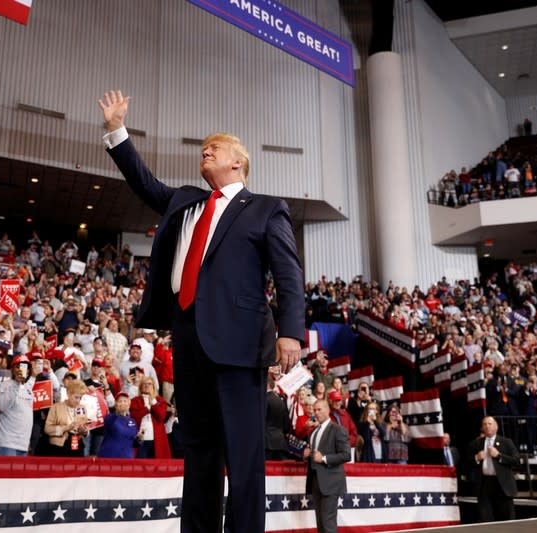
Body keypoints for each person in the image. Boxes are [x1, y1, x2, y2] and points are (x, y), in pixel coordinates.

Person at [99, 89, 304, 532]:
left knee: (243, 453)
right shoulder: (187, 200)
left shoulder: (267, 208)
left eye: (216, 146)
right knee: (199, 449)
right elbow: (145, 183)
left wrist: (291, 332)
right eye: (203, 147)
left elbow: (288, 274)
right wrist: (117, 130)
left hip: (240, 341)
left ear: (238, 163)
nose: (205, 150)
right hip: (188, 336)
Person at [302, 399, 351, 533]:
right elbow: (314, 456)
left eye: (320, 409)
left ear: (328, 410)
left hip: (331, 483)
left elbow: (347, 455)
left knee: (328, 523)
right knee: (320, 523)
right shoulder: (313, 432)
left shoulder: (338, 429)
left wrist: (323, 458)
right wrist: (306, 456)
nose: (316, 413)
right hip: (315, 482)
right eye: (315, 410)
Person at [468, 416, 518, 522]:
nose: (487, 426)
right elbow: (465, 463)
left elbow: (516, 461)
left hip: (502, 485)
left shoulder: (506, 442)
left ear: (496, 427)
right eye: (484, 424)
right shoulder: (476, 443)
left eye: (490, 424)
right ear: (482, 428)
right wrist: (476, 458)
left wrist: (499, 455)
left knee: (506, 519)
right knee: (485, 518)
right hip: (484, 485)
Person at [0, 354, 35, 456]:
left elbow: (26, 417)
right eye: (18, 367)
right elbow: (1, 406)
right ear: (12, 370)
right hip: (4, 443)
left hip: (22, 445)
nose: (20, 370)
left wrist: (27, 441)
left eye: (24, 367)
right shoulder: (4, 385)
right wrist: (16, 384)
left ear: (28, 371)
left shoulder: (28, 391)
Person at [43, 379, 88, 456]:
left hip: (77, 445)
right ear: (68, 394)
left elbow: (85, 427)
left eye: (80, 398)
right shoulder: (56, 407)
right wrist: (66, 428)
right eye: (76, 397)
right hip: (59, 447)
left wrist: (84, 431)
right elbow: (47, 429)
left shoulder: (82, 408)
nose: (78, 401)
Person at [129, 376, 171, 458]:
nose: (147, 386)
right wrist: (147, 409)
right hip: (140, 439)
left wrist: (154, 402)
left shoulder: (160, 401)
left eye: (149, 384)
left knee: (156, 466)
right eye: (144, 384)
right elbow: (134, 418)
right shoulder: (135, 400)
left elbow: (161, 417)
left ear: (153, 387)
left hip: (157, 439)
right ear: (140, 387)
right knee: (140, 466)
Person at [98, 391, 140, 458]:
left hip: (127, 458)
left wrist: (139, 439)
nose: (122, 403)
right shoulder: (110, 417)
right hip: (109, 458)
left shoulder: (133, 421)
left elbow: (134, 443)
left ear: (129, 404)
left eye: (125, 401)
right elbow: (109, 423)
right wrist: (118, 413)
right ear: (116, 404)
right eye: (120, 401)